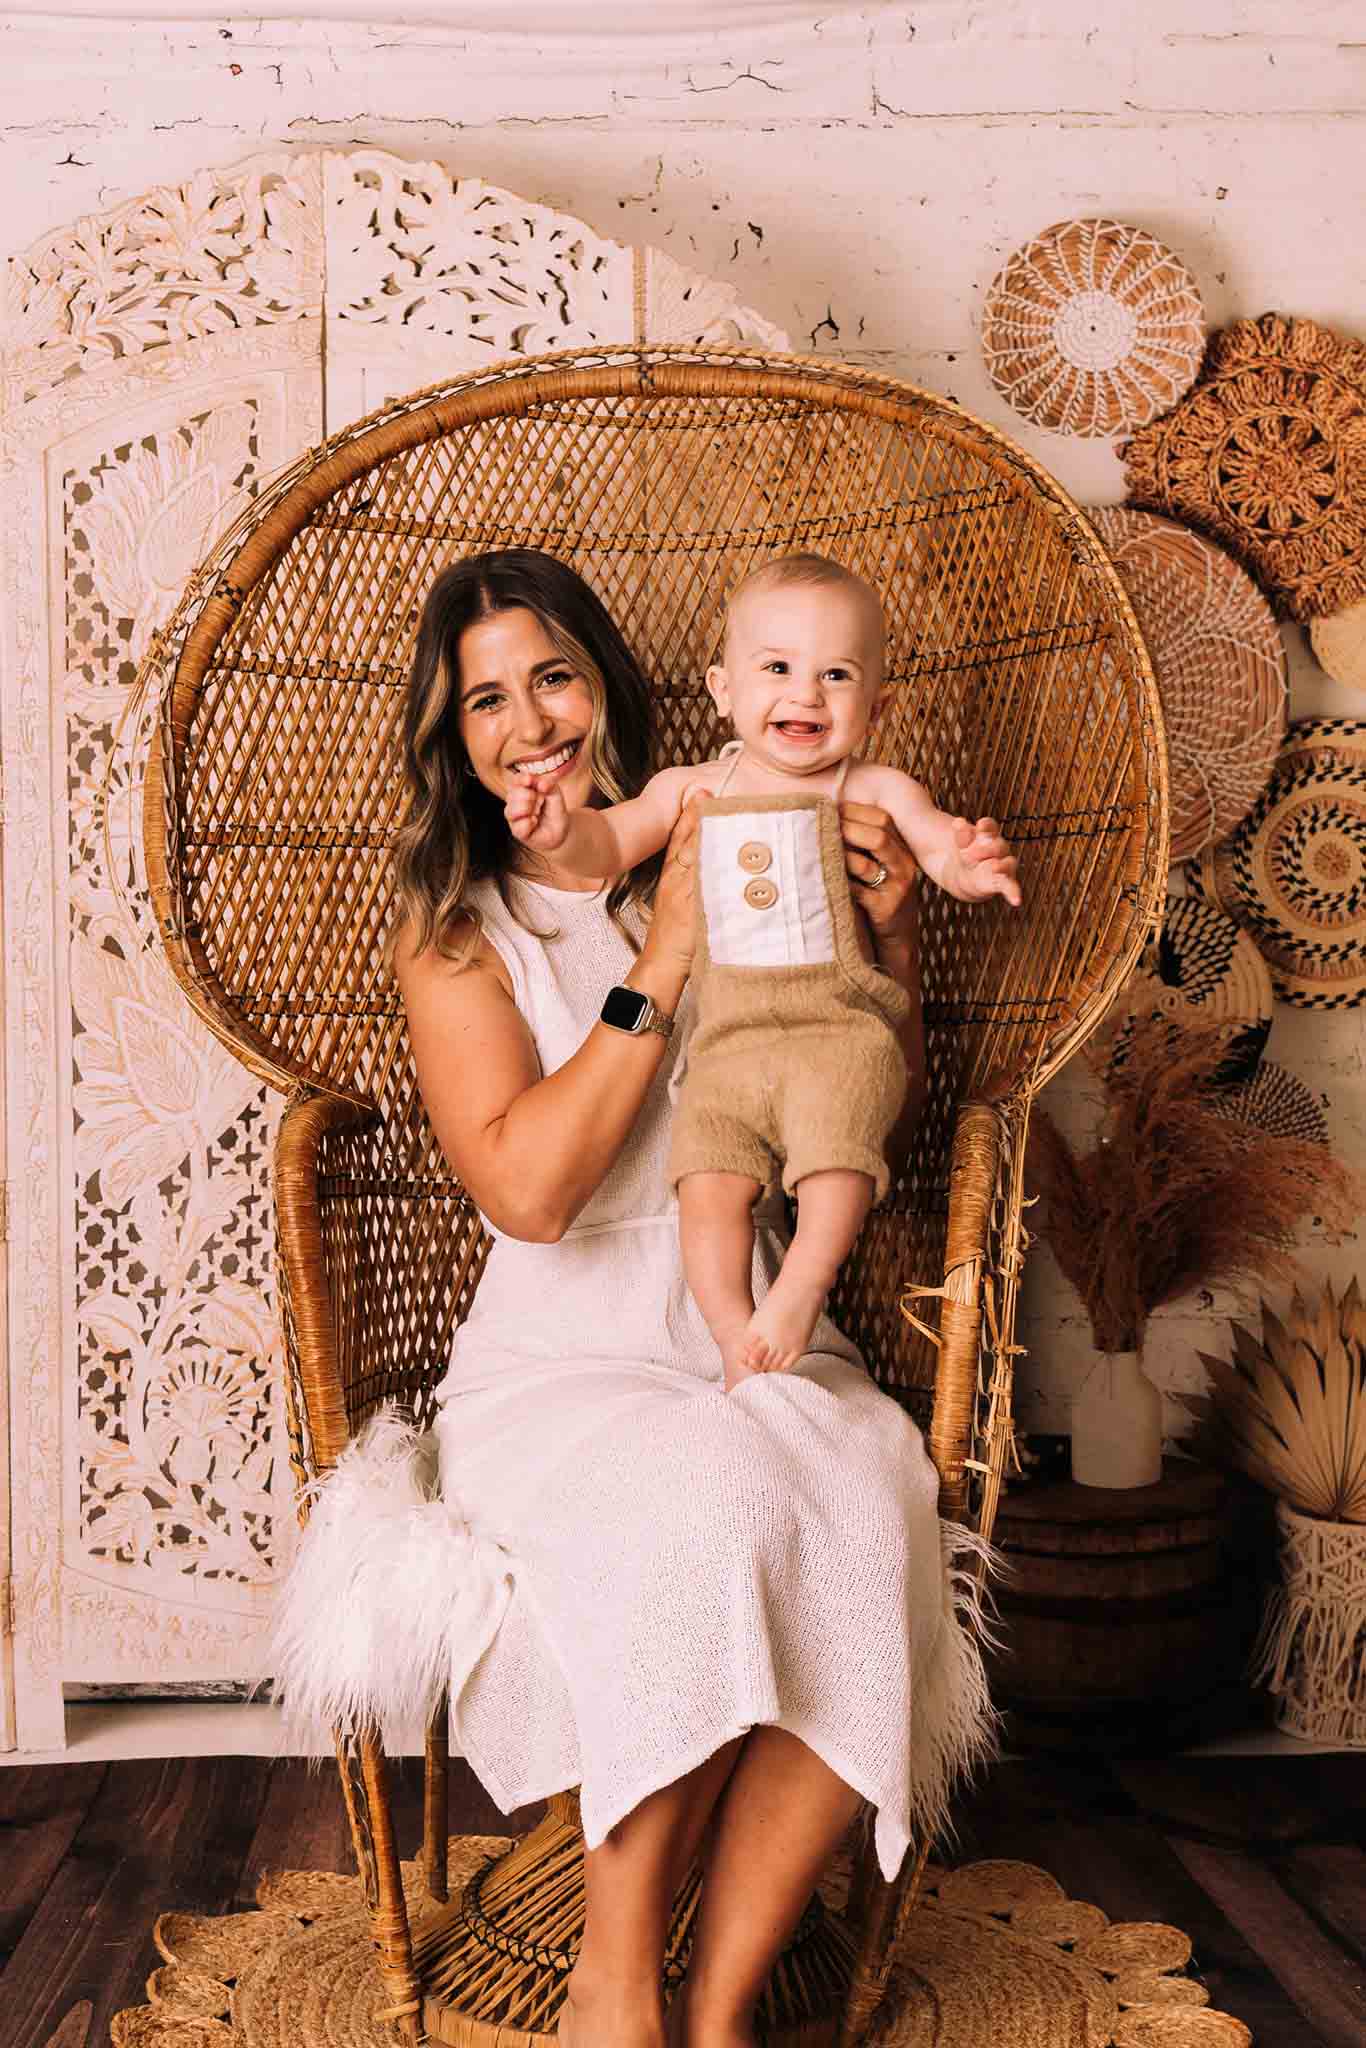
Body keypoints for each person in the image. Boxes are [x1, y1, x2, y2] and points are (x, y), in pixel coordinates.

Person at [346, 548, 994, 2048]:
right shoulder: (463, 931)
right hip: (563, 1357)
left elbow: (847, 1093)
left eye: (552, 678)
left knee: (865, 1490)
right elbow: (530, 1194)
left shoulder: (741, 829)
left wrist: (887, 934)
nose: (528, 722)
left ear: (612, 688)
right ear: (455, 742)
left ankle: (717, 2014)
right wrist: (669, 955)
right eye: (485, 701)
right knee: (705, 1501)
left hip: (744, 1318)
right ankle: (611, 1984)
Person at [503, 553, 1020, 1391]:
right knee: (705, 1181)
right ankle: (733, 1337)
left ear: (876, 705)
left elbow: (936, 846)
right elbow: (607, 847)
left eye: (836, 675)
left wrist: (971, 863)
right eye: (777, 668)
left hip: (839, 1029)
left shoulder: (875, 786)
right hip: (727, 1043)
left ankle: (797, 1293)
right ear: (724, 690)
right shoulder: (691, 790)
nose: (805, 695)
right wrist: (559, 828)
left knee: (837, 1162)